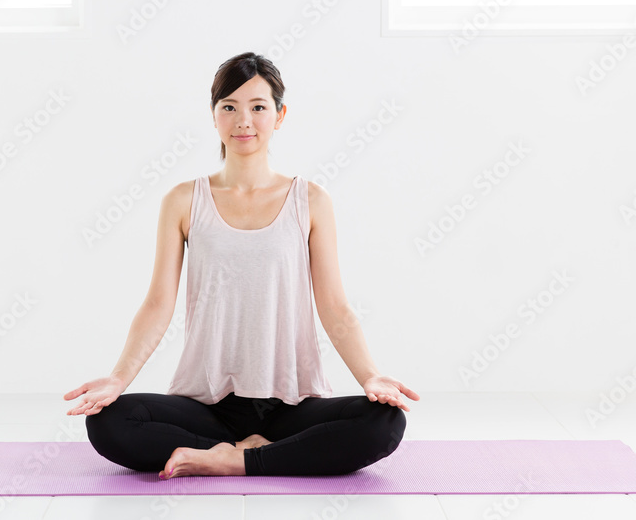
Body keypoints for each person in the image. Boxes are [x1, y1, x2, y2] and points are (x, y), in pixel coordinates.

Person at [63, 51, 419, 479]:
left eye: (258, 107)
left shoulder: (311, 202)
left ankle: (229, 459)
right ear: (214, 116)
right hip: (207, 406)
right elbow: (158, 303)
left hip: (291, 404)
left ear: (280, 115)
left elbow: (334, 307)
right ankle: (258, 454)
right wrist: (117, 379)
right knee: (107, 422)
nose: (243, 120)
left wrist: (371, 376)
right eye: (228, 107)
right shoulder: (182, 200)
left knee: (384, 422)